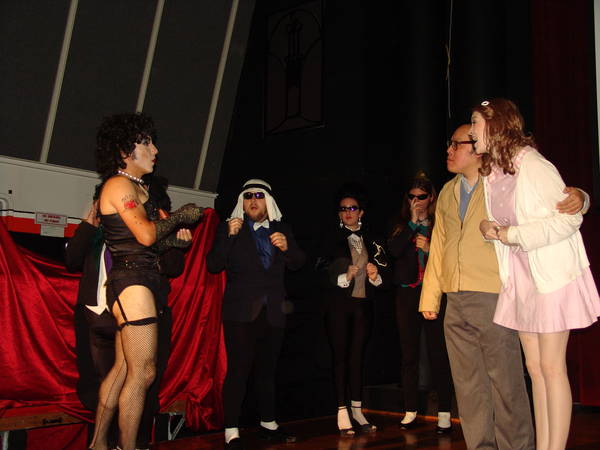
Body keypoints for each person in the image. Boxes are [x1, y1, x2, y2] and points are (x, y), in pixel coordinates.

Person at [419, 123, 587, 450]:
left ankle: (517, 446)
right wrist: (431, 296)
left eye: (456, 144)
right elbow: (438, 245)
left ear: (476, 149)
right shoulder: (448, 192)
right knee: (468, 385)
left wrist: (581, 198)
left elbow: (549, 204)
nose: (449, 151)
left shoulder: (501, 181)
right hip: (455, 297)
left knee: (506, 382)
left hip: (494, 293)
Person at [473, 98, 600, 450]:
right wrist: (489, 228)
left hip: (551, 276)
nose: (471, 131)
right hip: (521, 277)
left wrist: (510, 234)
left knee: (552, 366)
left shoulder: (533, 164)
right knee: (535, 367)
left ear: (496, 125)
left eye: (475, 123)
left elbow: (569, 219)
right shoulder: (493, 172)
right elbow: (505, 221)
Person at [89, 113, 202, 450]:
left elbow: (147, 241)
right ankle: (127, 446)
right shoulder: (119, 185)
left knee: (124, 371)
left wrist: (175, 242)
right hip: (132, 281)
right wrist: (180, 217)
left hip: (141, 277)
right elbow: (146, 235)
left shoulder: (138, 188)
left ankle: (98, 445)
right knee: (144, 372)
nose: (155, 150)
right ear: (125, 150)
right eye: (146, 143)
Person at [66, 175, 191, 449]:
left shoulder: (146, 230)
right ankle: (105, 442)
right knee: (109, 381)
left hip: (142, 312)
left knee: (142, 381)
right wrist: (88, 223)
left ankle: (130, 443)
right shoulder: (98, 233)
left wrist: (174, 241)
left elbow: (173, 268)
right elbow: (71, 259)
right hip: (100, 318)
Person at [206, 178, 305, 449]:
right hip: (240, 313)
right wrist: (229, 237)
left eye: (259, 196)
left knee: (267, 371)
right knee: (238, 371)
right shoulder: (230, 228)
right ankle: (231, 430)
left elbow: (299, 262)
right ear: (242, 202)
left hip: (273, 311)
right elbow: (213, 265)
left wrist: (287, 247)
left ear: (268, 201)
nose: (253, 200)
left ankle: (268, 424)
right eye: (248, 196)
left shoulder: (281, 229)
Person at [387, 171, 453, 433]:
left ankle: (444, 413)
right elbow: (394, 251)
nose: (417, 201)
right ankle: (410, 410)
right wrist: (413, 224)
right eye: (412, 197)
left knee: (439, 353)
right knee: (409, 355)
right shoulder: (401, 223)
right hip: (407, 294)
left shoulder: (440, 222)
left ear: (431, 197)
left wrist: (429, 249)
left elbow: (451, 259)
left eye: (422, 196)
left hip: (434, 293)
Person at [321, 183, 388, 436]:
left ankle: (357, 410)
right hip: (338, 307)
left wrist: (376, 276)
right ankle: (341, 410)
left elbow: (388, 274)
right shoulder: (330, 238)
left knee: (358, 358)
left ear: (361, 212)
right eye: (343, 209)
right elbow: (318, 269)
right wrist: (343, 276)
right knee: (340, 357)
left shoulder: (373, 239)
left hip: (363, 306)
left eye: (352, 208)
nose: (347, 212)